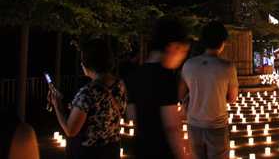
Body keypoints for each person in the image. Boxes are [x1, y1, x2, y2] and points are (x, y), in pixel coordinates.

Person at [50, 39, 127, 159]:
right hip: (111, 150)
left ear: (90, 63)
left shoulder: (88, 93)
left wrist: (57, 106)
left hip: (88, 152)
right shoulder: (120, 85)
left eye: (82, 60)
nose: (81, 64)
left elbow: (71, 130)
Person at [126, 19, 190, 159]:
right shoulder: (165, 77)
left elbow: (131, 114)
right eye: (183, 52)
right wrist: (182, 155)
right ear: (173, 47)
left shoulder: (136, 74)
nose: (181, 59)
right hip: (162, 150)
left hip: (140, 148)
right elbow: (171, 126)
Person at [180, 21, 239, 159]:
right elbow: (233, 98)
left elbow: (181, 94)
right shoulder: (227, 67)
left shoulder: (189, 65)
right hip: (217, 125)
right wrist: (216, 97)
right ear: (223, 42)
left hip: (194, 124)